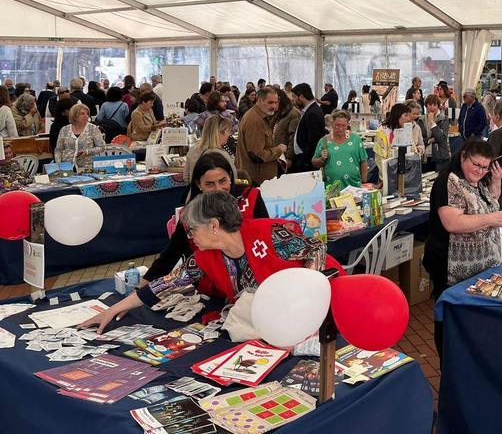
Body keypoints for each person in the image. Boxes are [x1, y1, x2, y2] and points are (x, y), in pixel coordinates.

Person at [79, 190, 343, 334]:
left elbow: (316, 250)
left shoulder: (270, 234)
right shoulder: (205, 258)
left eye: (192, 229)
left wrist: (305, 293)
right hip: (274, 321)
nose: (190, 236)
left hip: (317, 308)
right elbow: (165, 284)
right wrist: (113, 309)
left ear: (214, 225)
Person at [423, 138, 502, 359]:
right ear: (463, 156)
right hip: (451, 265)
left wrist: (496, 180)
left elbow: (487, 202)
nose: (481, 171)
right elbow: (453, 223)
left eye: (485, 167)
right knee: (450, 321)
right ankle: (448, 366)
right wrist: (491, 219)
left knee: (469, 324)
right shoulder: (448, 181)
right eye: (476, 165)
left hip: (479, 265)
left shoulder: (475, 179)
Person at [141, 152, 268, 289]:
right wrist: (141, 288)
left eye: (222, 181)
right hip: (209, 290)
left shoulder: (251, 198)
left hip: (253, 285)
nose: (218, 189)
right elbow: (171, 254)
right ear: (199, 184)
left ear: (230, 177)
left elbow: (266, 237)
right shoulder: (192, 214)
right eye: (210, 184)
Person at [235, 87, 286, 185]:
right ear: (259, 100)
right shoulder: (255, 120)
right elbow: (257, 155)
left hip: (258, 178)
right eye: (270, 102)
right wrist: (279, 150)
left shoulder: (260, 117)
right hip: (256, 180)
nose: (274, 106)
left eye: (276, 102)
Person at [311, 110, 368, 188]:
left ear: (347, 125)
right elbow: (314, 163)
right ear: (332, 124)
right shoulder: (324, 141)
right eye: (337, 125)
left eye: (343, 125)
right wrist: (322, 159)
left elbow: (363, 160)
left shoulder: (356, 139)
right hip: (331, 188)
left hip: (354, 187)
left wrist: (364, 181)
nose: (340, 128)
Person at [185, 115, 235, 183]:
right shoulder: (222, 155)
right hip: (217, 193)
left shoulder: (192, 150)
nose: (229, 135)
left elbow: (186, 177)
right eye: (229, 131)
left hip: (195, 192)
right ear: (223, 132)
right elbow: (234, 179)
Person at [291, 83, 327, 173]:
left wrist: (306, 161)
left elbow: (313, 140)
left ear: (301, 97)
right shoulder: (309, 110)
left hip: (307, 162)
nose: (293, 100)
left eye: (295, 97)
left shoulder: (312, 113)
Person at [425, 94, 450, 171]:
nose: (432, 107)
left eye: (435, 105)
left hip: (440, 157)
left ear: (438, 106)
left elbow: (441, 138)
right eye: (430, 105)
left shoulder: (444, 119)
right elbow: (420, 139)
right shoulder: (421, 120)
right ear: (426, 106)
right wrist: (430, 140)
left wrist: (432, 122)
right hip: (425, 156)